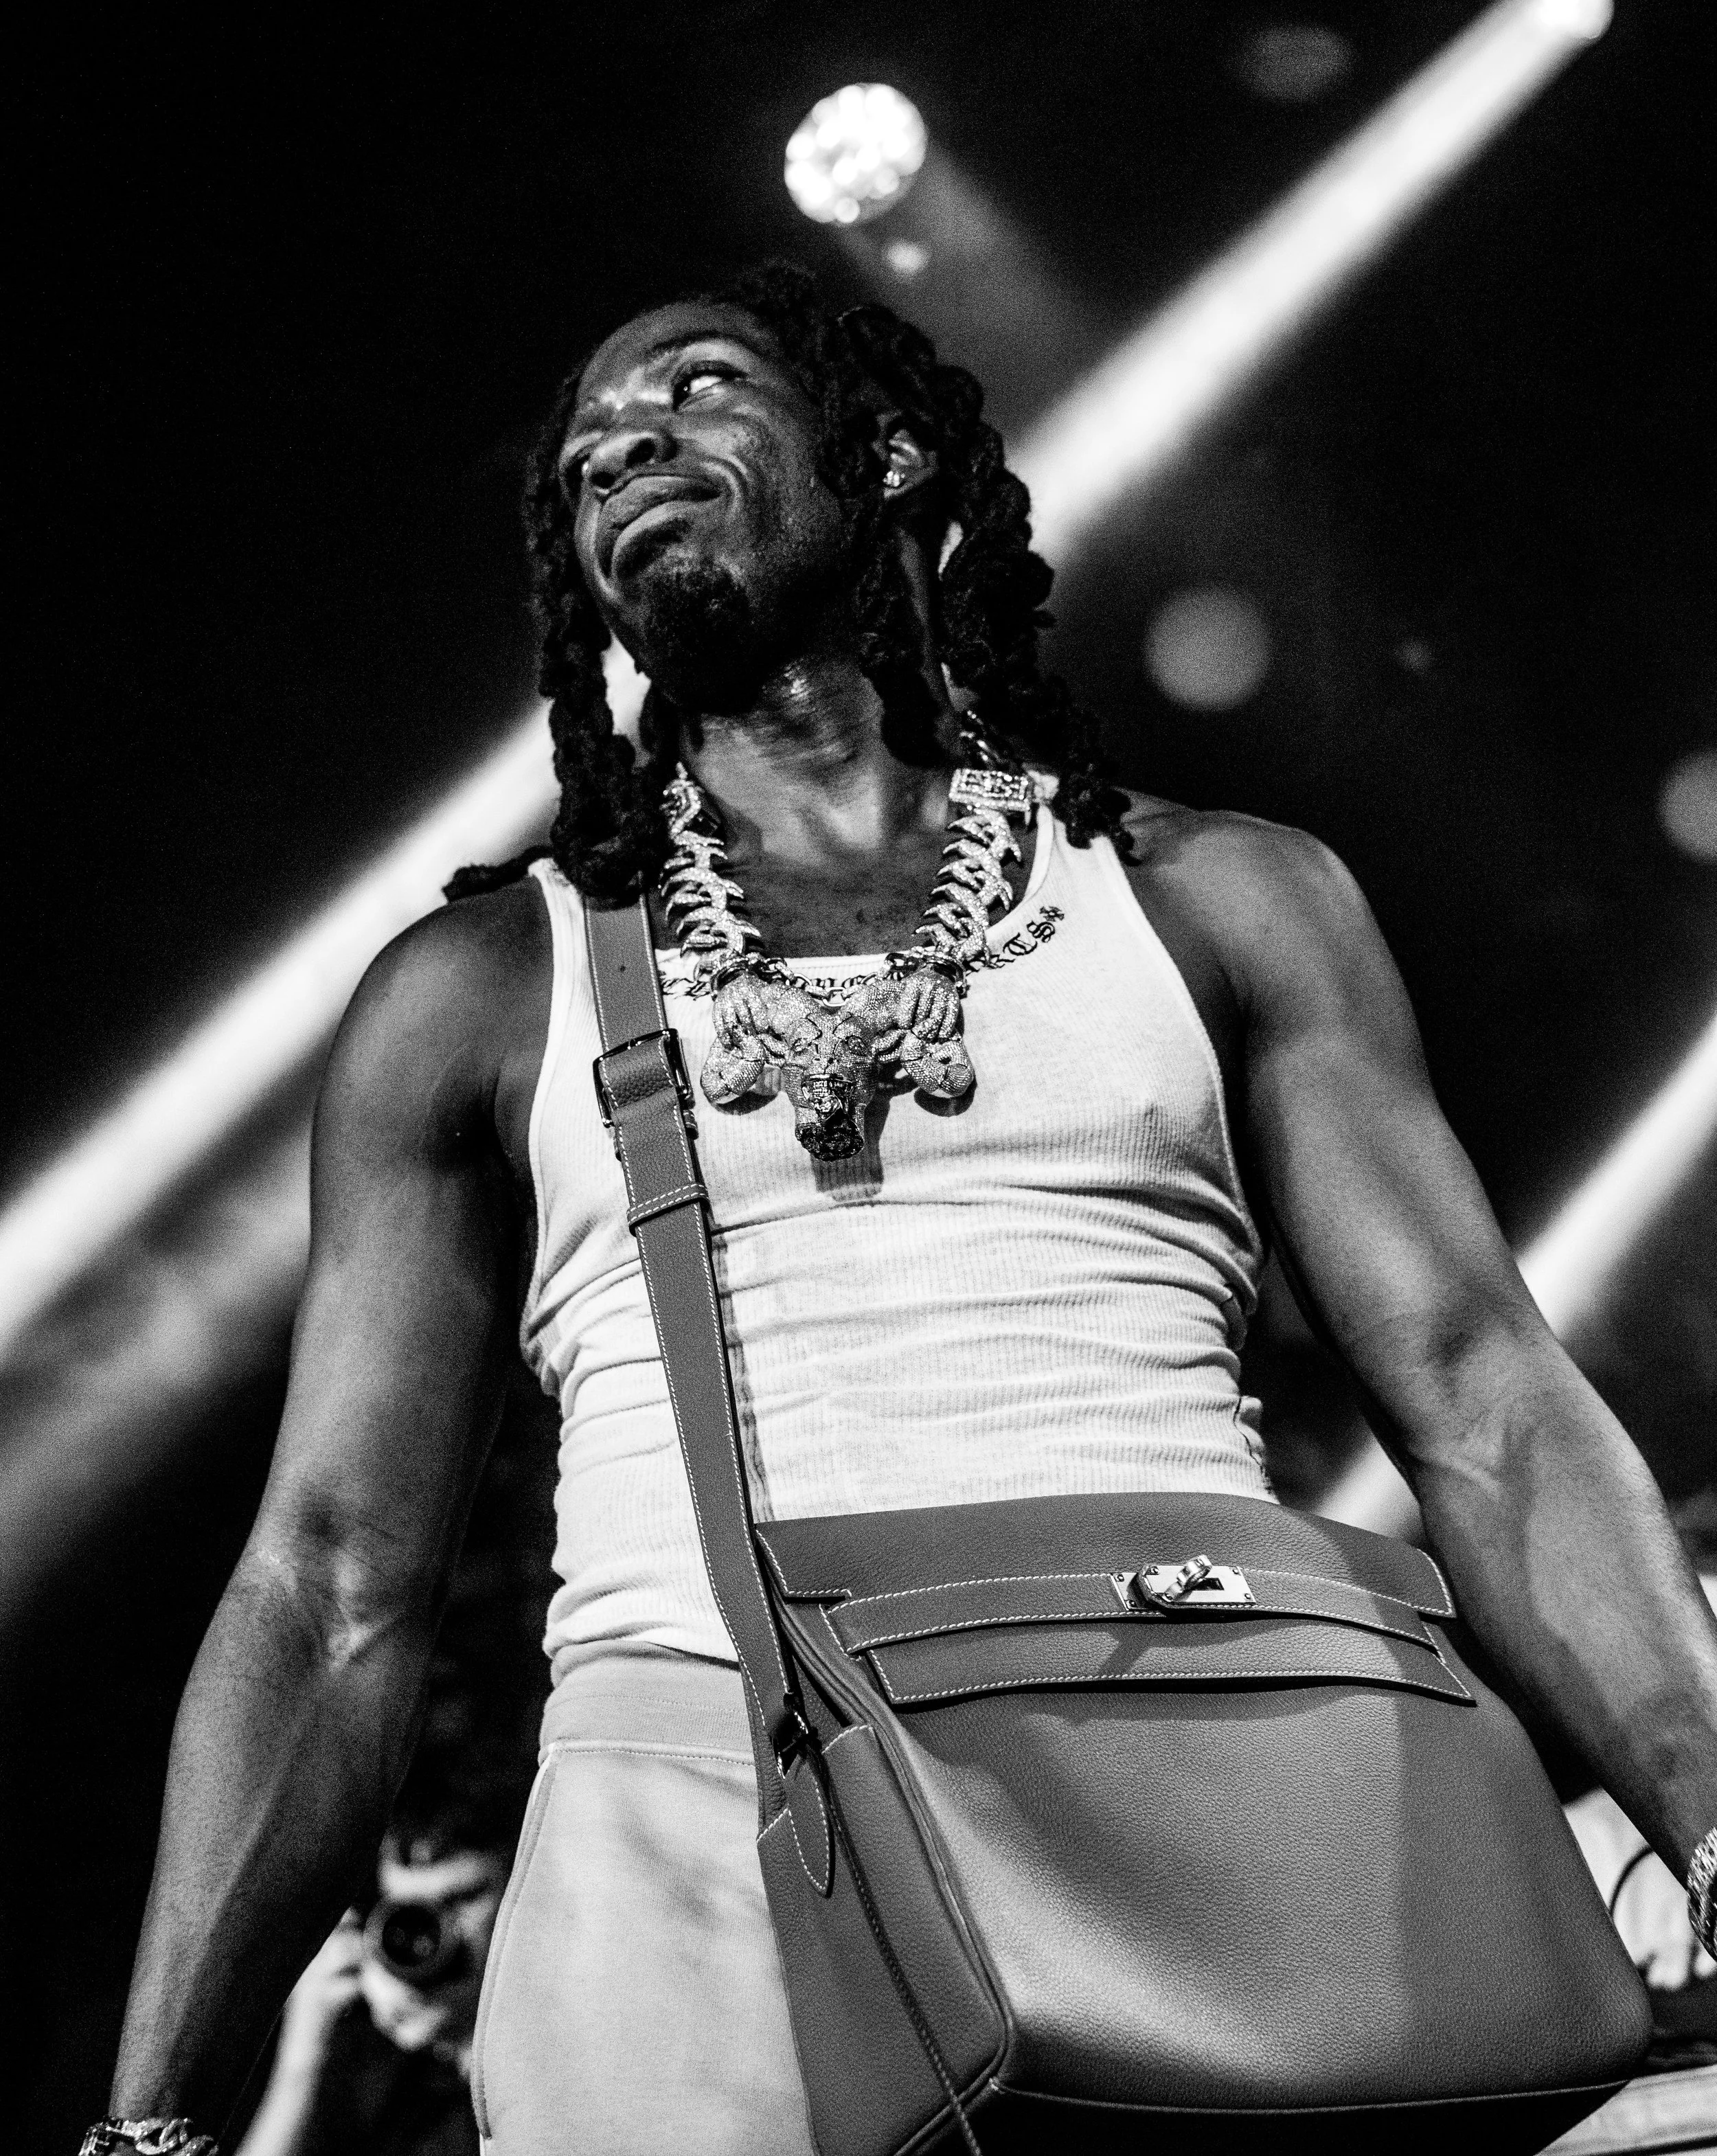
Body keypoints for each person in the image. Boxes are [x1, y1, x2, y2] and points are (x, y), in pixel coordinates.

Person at [93, 262, 1717, 2156]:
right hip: (704, 1824)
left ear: (877, 455)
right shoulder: (478, 991)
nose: (627, 447)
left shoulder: (1218, 896)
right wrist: (152, 2122)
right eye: (587, 455)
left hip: (1210, 1783)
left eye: (693, 391)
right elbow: (332, 1575)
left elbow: (1482, 1397)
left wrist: (1702, 1817)